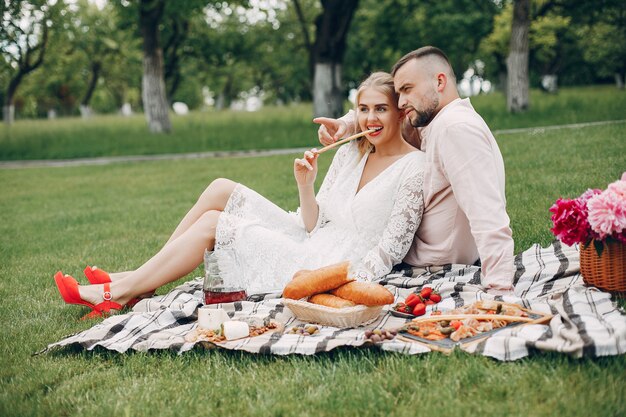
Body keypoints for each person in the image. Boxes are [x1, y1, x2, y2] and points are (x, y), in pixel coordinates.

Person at [54, 72, 426, 318]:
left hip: (329, 263)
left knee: (214, 225)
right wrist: (306, 183)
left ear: (400, 113)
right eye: (363, 109)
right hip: (309, 235)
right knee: (220, 187)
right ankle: (138, 279)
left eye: (381, 109)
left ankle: (119, 292)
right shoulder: (351, 151)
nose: (370, 119)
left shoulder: (414, 167)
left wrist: (343, 282)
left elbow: (390, 250)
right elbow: (313, 222)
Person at [315, 46, 515, 292]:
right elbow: (385, 116)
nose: (401, 102)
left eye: (407, 90)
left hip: (431, 270)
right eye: (398, 93)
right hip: (406, 255)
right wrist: (346, 124)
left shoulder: (454, 129)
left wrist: (499, 289)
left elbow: (489, 217)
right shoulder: (434, 120)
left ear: (439, 81)